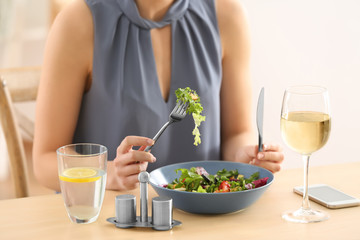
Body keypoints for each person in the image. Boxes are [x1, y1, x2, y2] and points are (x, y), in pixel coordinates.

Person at [33, 0, 284, 192]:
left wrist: (245, 155)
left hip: (206, 218)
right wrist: (107, 173)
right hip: (110, 221)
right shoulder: (78, 22)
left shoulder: (227, 15)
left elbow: (236, 132)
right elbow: (44, 160)